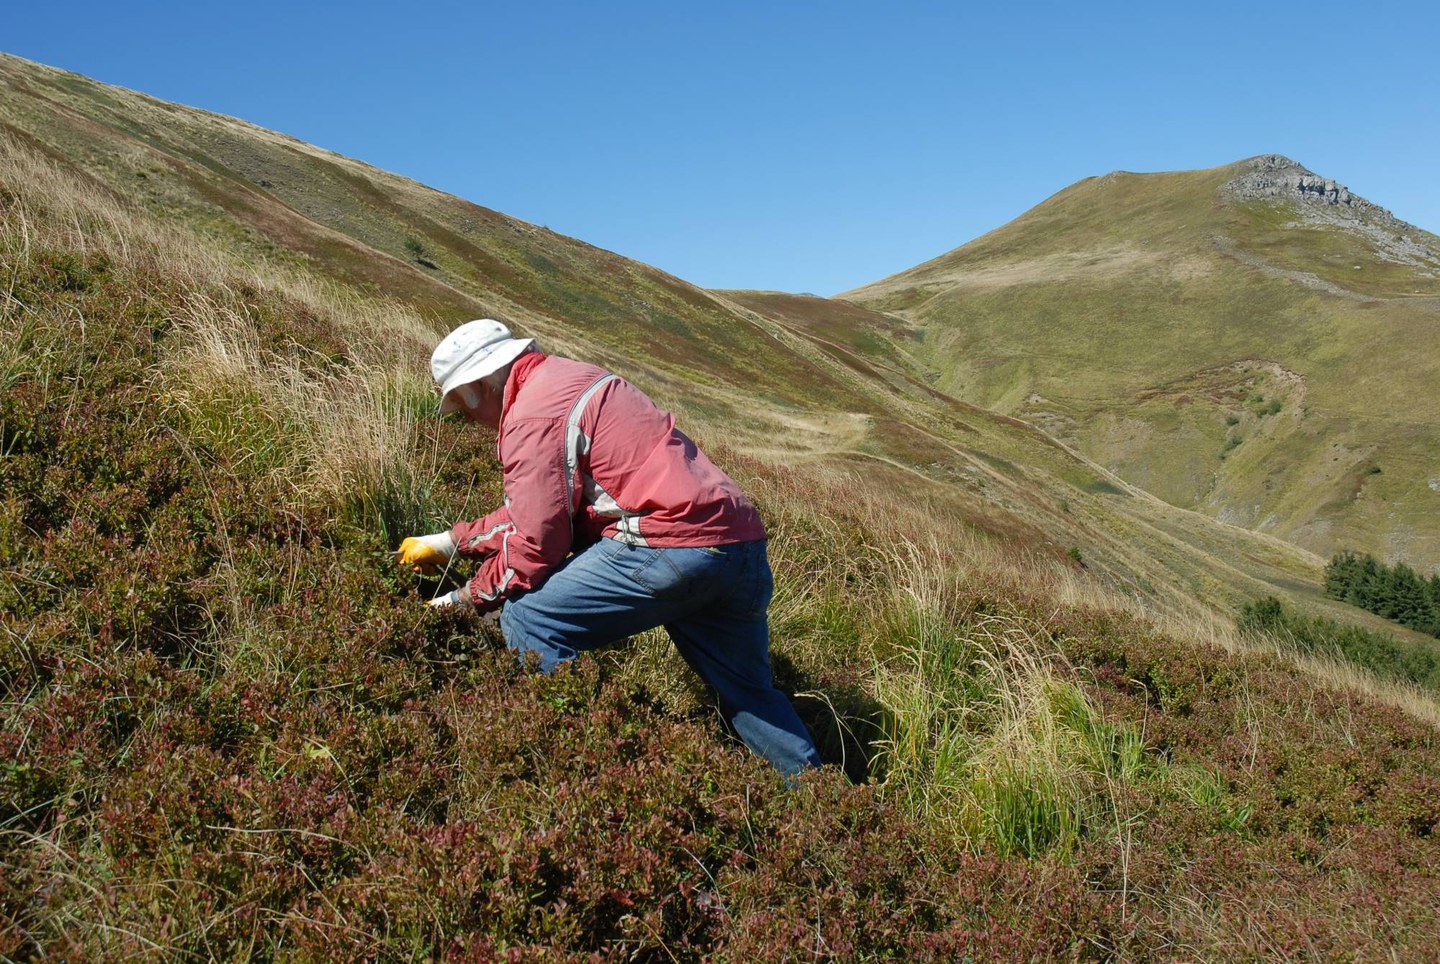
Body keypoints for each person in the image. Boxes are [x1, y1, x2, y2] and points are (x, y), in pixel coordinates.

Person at [396, 319, 821, 778]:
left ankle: (590, 768)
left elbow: (538, 542)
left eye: (460, 404)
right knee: (750, 692)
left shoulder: (531, 415)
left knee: (529, 619)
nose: (467, 419)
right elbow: (546, 515)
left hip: (667, 546)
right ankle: (819, 803)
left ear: (479, 385)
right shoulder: (573, 378)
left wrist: (464, 599)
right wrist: (453, 543)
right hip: (738, 545)